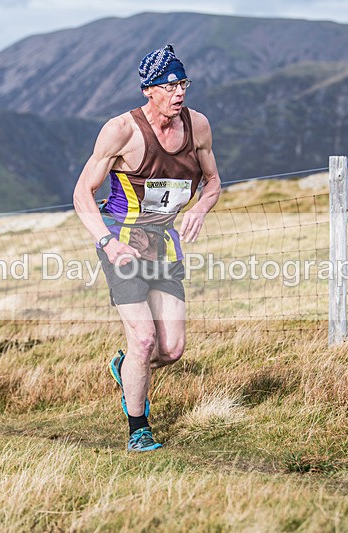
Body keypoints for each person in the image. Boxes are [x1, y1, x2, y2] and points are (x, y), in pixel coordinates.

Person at [72, 44, 222, 452]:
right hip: (121, 243)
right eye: (170, 86)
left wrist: (201, 209)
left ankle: (125, 367)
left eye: (183, 84)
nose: (179, 93)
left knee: (170, 349)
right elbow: (82, 193)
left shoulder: (199, 126)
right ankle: (139, 429)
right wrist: (105, 240)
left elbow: (213, 181)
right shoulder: (121, 130)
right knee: (143, 339)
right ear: (148, 90)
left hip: (165, 246)